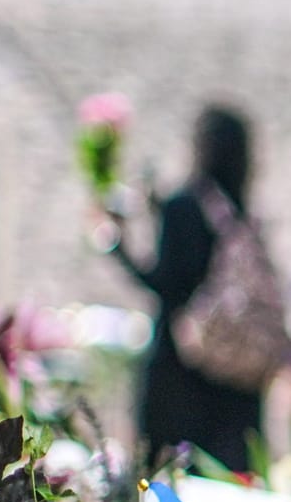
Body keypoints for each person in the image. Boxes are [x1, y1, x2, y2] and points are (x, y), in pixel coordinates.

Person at [109, 104, 265, 471]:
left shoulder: (184, 203)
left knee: (167, 478)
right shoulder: (240, 209)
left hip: (179, 366)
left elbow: (166, 284)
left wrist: (118, 247)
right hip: (233, 373)